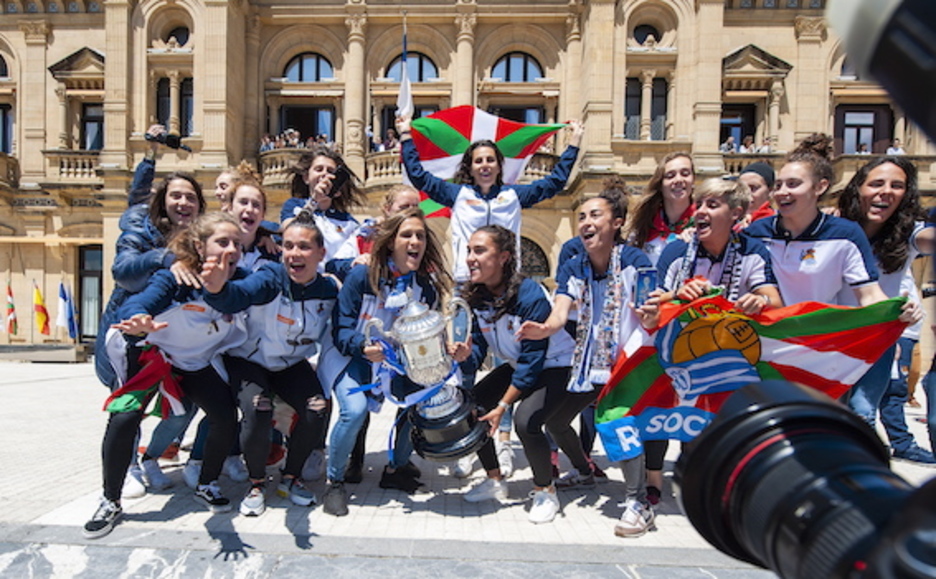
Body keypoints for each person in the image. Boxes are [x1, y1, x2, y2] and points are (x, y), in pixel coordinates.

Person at [84, 213, 246, 539]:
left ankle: (207, 481)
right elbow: (142, 301)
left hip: (192, 362)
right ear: (200, 246)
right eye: (222, 242)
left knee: (225, 415)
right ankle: (110, 499)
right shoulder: (175, 276)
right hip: (152, 357)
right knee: (125, 417)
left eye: (237, 244)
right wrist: (138, 319)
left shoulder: (240, 280)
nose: (232, 249)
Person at [516, 190, 658, 538]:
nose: (586, 223)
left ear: (617, 223)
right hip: (589, 363)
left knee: (618, 423)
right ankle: (584, 470)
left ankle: (638, 503)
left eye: (595, 215)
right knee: (558, 420)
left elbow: (651, 317)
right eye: (582, 217)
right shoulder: (573, 265)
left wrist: (651, 314)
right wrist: (544, 328)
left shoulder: (636, 260)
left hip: (629, 360)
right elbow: (560, 312)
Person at [201, 211, 338, 516]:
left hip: (289, 364)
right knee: (258, 408)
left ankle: (291, 478)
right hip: (249, 361)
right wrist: (217, 291)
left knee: (318, 407)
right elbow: (239, 295)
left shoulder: (328, 290)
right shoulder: (270, 277)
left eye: (303, 247)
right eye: (288, 246)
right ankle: (256, 483)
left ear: (320, 253)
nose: (294, 254)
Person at [452, 225, 591, 524]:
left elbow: (532, 363)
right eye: (469, 251)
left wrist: (502, 406)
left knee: (526, 421)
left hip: (559, 366)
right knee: (469, 408)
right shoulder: (476, 296)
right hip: (521, 365)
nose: (470, 258)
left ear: (503, 257)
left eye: (479, 251)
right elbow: (478, 349)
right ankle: (494, 479)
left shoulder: (530, 295)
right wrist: (466, 354)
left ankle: (545, 491)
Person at [327, 207, 452, 516]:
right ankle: (335, 482)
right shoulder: (362, 275)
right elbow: (340, 328)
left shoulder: (425, 287)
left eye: (420, 236)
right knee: (353, 412)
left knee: (423, 401)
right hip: (351, 355)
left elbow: (427, 334)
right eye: (407, 235)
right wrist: (361, 346)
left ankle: (396, 469)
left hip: (394, 361)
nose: (415, 241)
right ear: (391, 242)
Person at [94, 171, 207, 495]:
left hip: (173, 336)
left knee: (183, 406)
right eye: (176, 196)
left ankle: (151, 458)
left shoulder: (199, 240)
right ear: (162, 201)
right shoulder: (140, 231)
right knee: (129, 406)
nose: (183, 202)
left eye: (191, 197)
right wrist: (166, 258)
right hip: (134, 330)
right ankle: (127, 467)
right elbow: (123, 272)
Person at [397, 114, 584, 284]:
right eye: (478, 161)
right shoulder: (457, 194)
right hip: (468, 280)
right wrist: (406, 135)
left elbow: (555, 182)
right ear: (470, 168)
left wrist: (574, 143)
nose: (484, 165)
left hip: (506, 281)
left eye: (490, 160)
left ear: (499, 166)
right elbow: (418, 176)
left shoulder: (513, 195)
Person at [836, 155, 934, 462]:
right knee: (828, 415)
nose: (886, 192)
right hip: (828, 340)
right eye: (876, 183)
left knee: (864, 413)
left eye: (897, 186)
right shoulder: (832, 226)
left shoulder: (910, 234)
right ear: (858, 189)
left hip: (876, 343)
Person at [656, 178, 782, 314]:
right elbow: (649, 300)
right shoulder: (676, 250)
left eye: (712, 205)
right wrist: (676, 294)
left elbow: (775, 302)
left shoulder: (752, 251)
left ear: (735, 213)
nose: (700, 211)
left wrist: (760, 300)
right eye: (698, 205)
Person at [281, 146, 367, 270]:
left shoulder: (348, 222)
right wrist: (315, 201)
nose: (325, 174)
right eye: (319, 169)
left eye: (330, 171)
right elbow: (290, 232)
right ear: (306, 178)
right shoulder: (293, 206)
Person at [626, 152, 696, 266]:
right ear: (660, 184)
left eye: (685, 173)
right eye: (670, 175)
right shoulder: (643, 227)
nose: (678, 180)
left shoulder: (704, 224)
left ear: (693, 180)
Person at [737, 161, 776, 229]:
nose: (746, 193)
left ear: (770, 191)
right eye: (742, 188)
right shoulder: (729, 223)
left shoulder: (777, 225)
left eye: (753, 188)